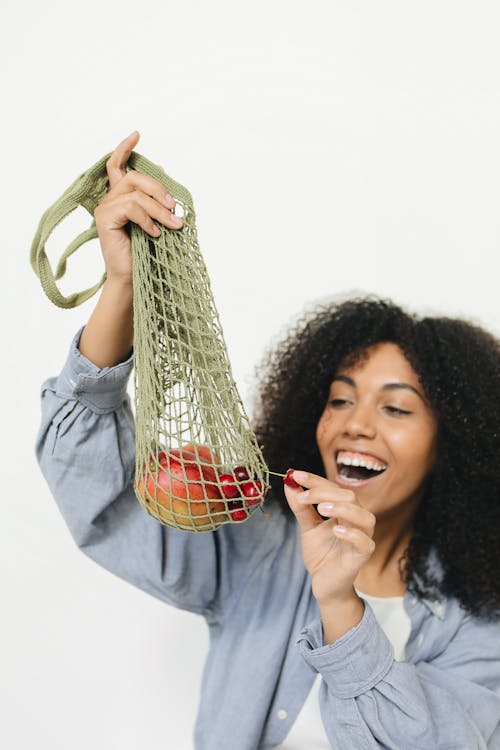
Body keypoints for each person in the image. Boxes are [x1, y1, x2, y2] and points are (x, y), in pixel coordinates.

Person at [35, 131, 500, 750]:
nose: (353, 423)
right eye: (338, 398)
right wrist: (122, 285)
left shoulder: (481, 616)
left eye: (395, 407)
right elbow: (102, 494)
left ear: (456, 443)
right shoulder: (257, 545)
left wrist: (339, 600)